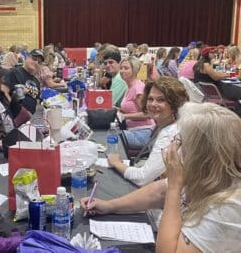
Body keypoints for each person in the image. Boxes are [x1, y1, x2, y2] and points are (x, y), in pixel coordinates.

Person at [81, 102, 241, 253]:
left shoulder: (229, 206)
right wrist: (109, 206)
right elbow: (158, 192)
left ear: (202, 154)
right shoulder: (207, 175)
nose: (174, 147)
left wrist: (174, 186)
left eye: (180, 141)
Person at [108, 77, 188, 186]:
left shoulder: (169, 134)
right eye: (150, 99)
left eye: (161, 100)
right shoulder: (164, 125)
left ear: (175, 105)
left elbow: (143, 178)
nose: (153, 104)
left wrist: (116, 163)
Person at [118, 57, 155, 148]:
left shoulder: (138, 88)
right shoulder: (129, 87)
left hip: (142, 133)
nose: (122, 71)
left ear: (134, 70)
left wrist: (124, 116)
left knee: (111, 137)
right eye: (121, 68)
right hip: (133, 130)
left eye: (126, 68)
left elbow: (147, 114)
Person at [4, 49, 42, 114]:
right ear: (27, 58)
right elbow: (4, 94)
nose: (36, 62)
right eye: (34, 59)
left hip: (30, 119)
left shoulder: (36, 81)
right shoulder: (14, 72)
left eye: (39, 62)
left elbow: (37, 101)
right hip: (16, 117)